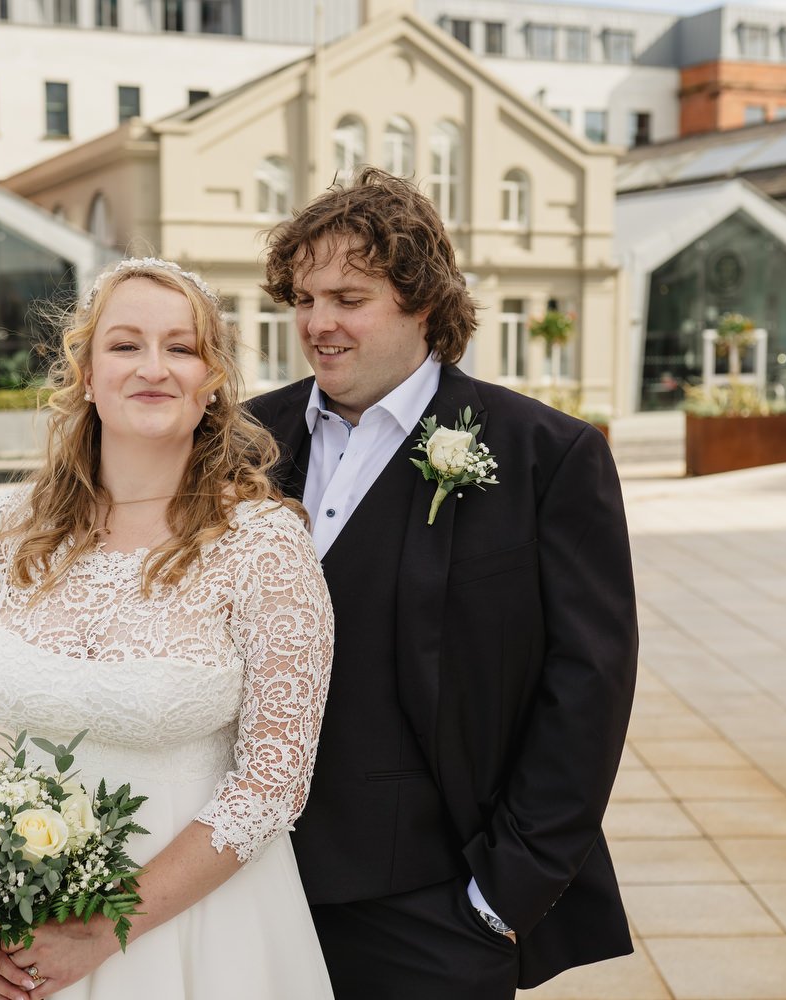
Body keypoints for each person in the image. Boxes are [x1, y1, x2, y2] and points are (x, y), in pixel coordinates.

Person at [247, 167, 638, 999]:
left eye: (348, 298)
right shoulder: (242, 442)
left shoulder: (546, 456)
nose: (317, 323)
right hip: (245, 889)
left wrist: (502, 899)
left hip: (434, 913)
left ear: (423, 302)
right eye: (304, 299)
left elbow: (588, 686)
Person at [0, 258, 337, 1000]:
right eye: (124, 345)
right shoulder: (12, 527)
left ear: (212, 381)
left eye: (181, 347)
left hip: (197, 931)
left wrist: (98, 930)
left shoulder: (264, 545)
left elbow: (272, 782)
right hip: (13, 929)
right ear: (86, 373)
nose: (153, 367)